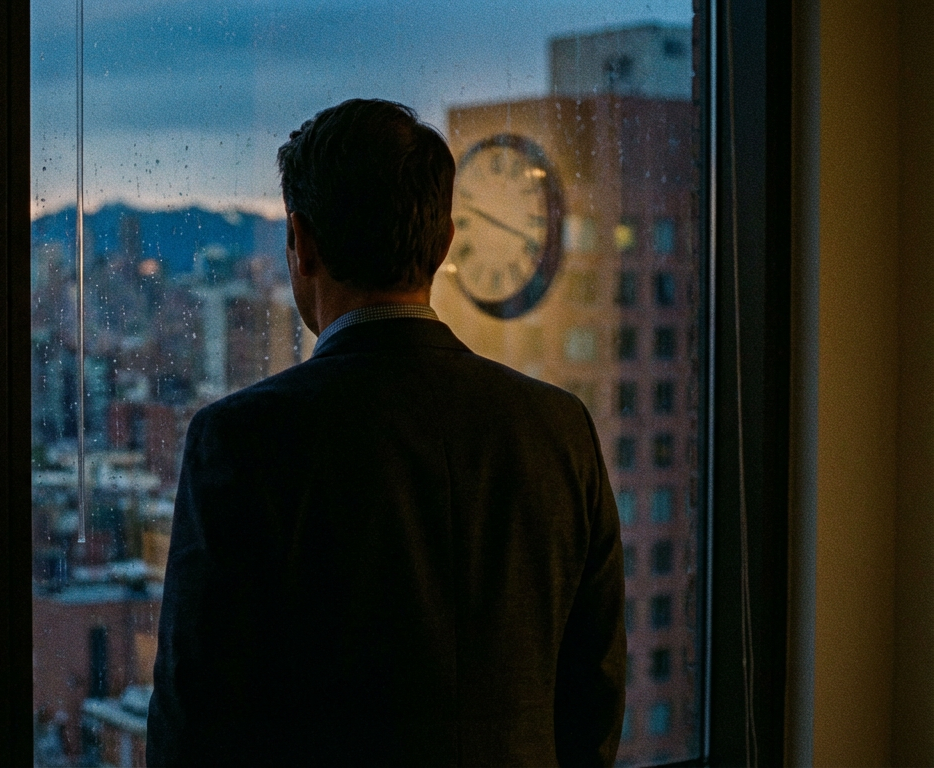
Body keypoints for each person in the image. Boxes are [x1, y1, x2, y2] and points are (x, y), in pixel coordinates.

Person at [146, 98, 626, 767]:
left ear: (302, 242)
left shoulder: (242, 442)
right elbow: (594, 698)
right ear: (444, 242)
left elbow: (195, 727)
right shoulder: (559, 430)